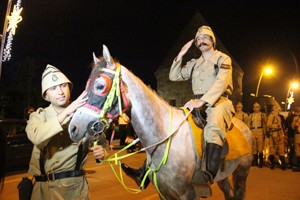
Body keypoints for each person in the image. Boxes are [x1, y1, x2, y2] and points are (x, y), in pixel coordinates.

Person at [121, 25, 235, 192]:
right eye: (198, 39)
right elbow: (174, 76)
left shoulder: (223, 59)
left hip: (218, 102)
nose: (201, 40)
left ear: (212, 41)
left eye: (205, 37)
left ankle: (208, 173)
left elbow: (221, 83)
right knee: (169, 129)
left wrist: (202, 101)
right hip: (196, 102)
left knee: (213, 126)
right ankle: (143, 172)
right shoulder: (195, 63)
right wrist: (180, 54)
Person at [26, 64, 108, 199]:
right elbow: (36, 136)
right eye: (53, 88)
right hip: (43, 190)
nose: (60, 91)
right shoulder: (39, 116)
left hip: (74, 189)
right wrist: (67, 112)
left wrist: (102, 153)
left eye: (63, 86)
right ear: (46, 95)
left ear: (69, 88)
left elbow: (102, 141)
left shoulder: (84, 114)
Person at [267, 102, 286, 170]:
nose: (279, 109)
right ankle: (272, 164)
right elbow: (268, 125)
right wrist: (276, 126)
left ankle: (283, 164)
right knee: (272, 149)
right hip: (273, 134)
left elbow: (281, 126)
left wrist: (282, 133)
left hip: (279, 134)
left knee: (281, 149)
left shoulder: (278, 116)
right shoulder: (271, 116)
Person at [248, 102, 267, 168]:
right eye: (254, 107)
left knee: (260, 147)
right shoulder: (251, 115)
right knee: (254, 147)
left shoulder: (262, 115)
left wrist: (265, 133)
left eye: (257, 107)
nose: (255, 108)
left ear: (259, 108)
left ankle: (260, 162)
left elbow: (264, 124)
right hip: (253, 131)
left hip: (260, 131)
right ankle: (255, 161)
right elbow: (249, 124)